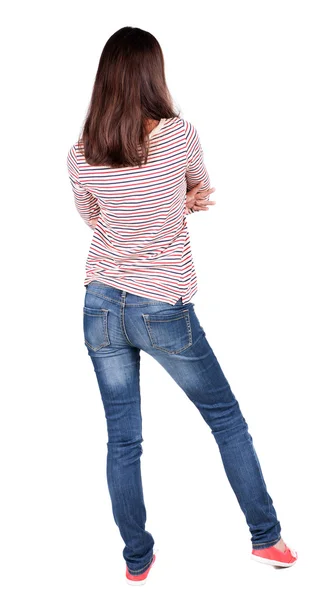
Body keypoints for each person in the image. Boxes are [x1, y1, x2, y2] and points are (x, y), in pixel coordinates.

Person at [66, 26, 298, 585]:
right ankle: (267, 539)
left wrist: (148, 213)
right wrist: (177, 206)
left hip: (99, 303)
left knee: (123, 437)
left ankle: (136, 559)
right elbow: (199, 187)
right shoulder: (177, 136)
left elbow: (95, 216)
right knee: (226, 420)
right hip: (161, 306)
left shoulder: (80, 153)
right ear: (152, 74)